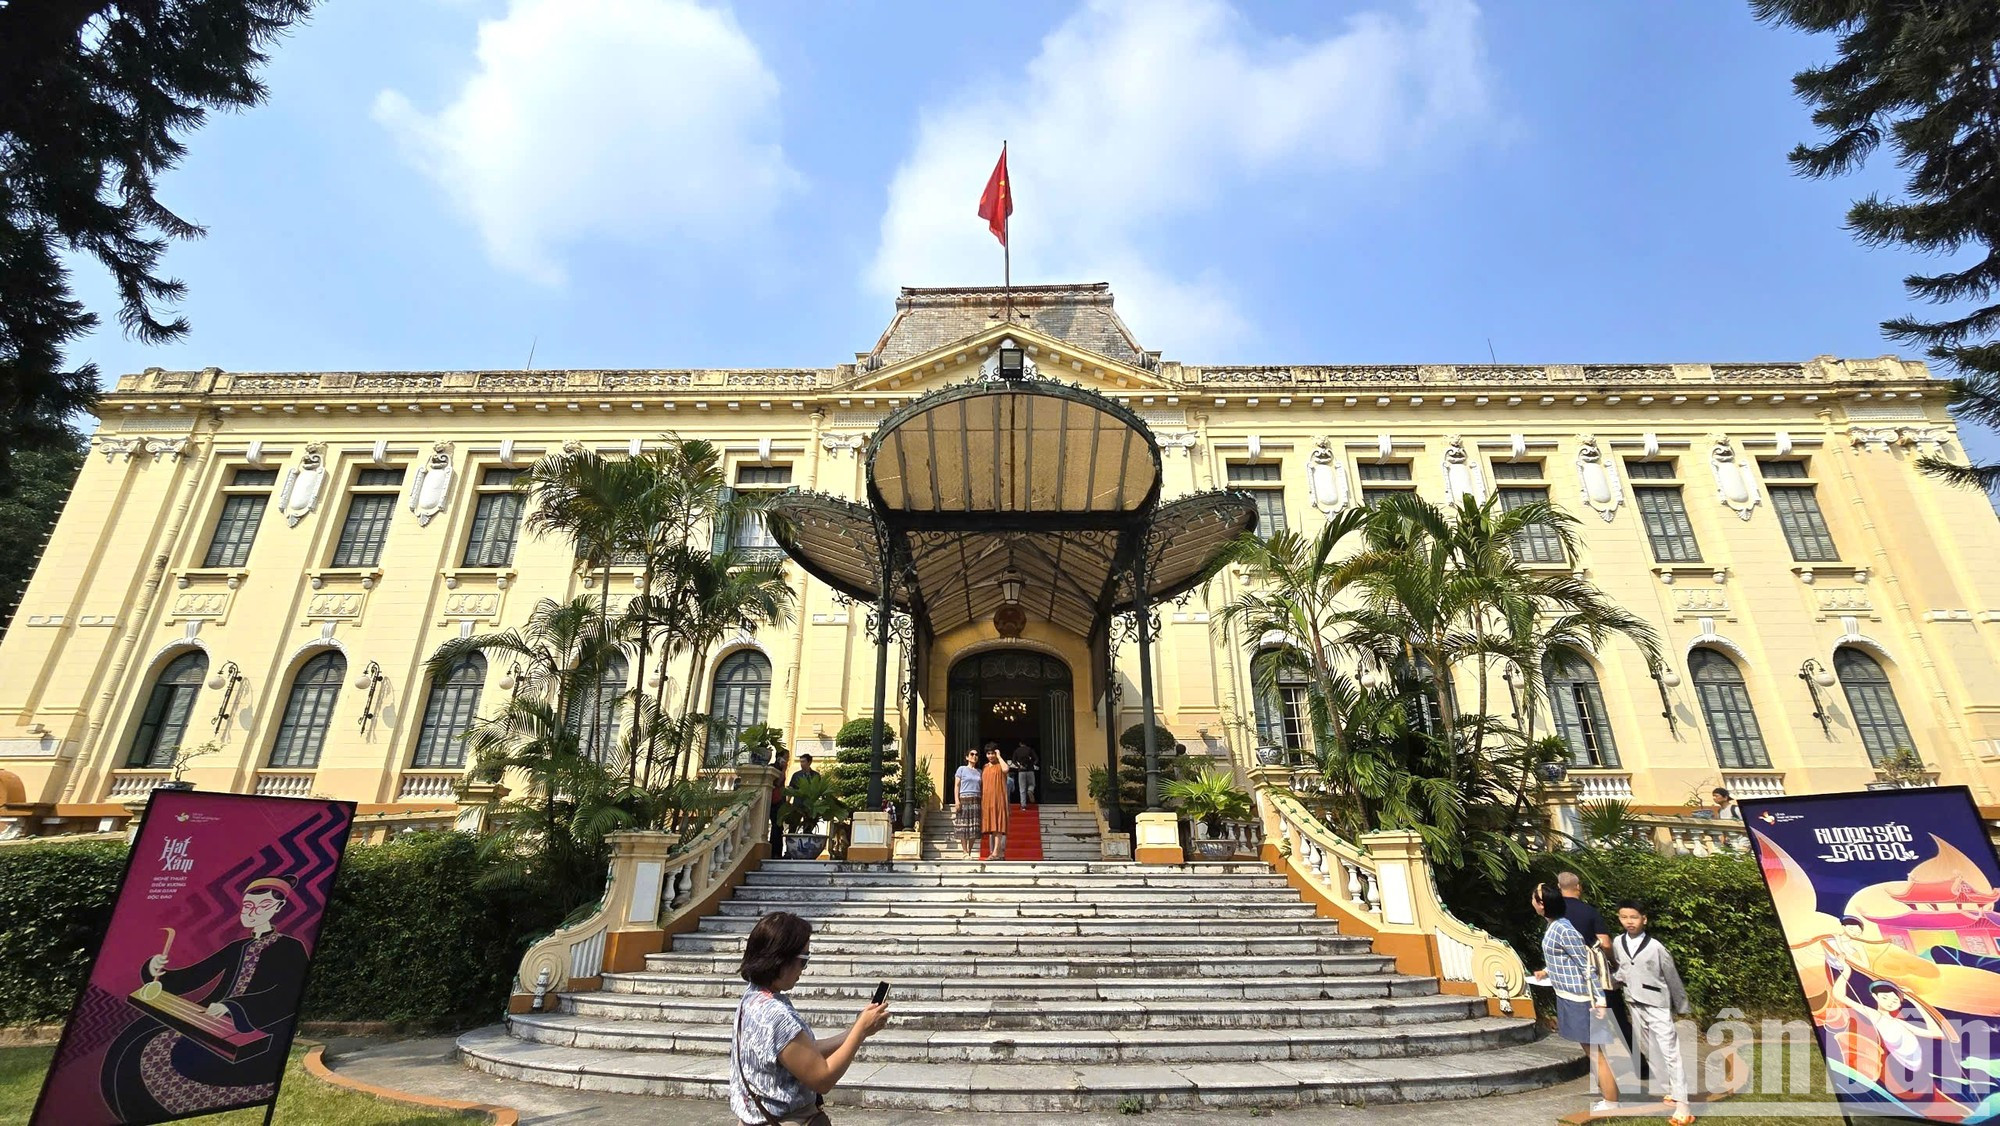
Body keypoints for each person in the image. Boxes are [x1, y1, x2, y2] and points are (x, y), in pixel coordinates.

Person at [101, 876, 309, 1121]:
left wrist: (232, 1007)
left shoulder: (290, 948)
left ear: (278, 907)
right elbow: (193, 977)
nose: (252, 913)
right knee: (137, 1035)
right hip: (210, 1018)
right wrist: (155, 970)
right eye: (248, 906)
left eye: (262, 907)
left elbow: (286, 993)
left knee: (152, 1050)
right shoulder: (237, 947)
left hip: (255, 1025)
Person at [731, 911, 889, 1125]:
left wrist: (854, 1030)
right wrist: (859, 1033)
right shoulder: (775, 1015)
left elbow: (804, 1052)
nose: (803, 970)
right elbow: (822, 1079)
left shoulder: (752, 998)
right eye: (803, 960)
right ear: (780, 960)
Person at [1529, 880, 1620, 1114]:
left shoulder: (1563, 928)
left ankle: (1611, 1101)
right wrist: (1546, 971)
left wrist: (1599, 1000)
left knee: (1595, 1052)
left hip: (1582, 999)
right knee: (1590, 1050)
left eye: (1534, 898)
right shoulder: (1555, 926)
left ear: (1542, 905)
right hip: (1569, 995)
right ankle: (1608, 1097)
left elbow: (1585, 964)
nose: (1532, 902)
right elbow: (1563, 958)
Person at [1611, 901, 1693, 1126]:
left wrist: (1682, 1005)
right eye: (1624, 917)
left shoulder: (1656, 947)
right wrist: (1609, 982)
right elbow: (1622, 971)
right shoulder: (1618, 942)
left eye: (1634, 917)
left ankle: (1684, 1104)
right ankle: (1671, 1090)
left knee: (1670, 1051)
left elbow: (1672, 976)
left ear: (1644, 919)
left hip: (1657, 1003)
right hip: (1634, 1003)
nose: (1629, 921)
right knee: (1647, 1048)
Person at [980, 745, 1014, 859]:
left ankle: (995, 853)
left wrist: (999, 756)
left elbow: (1006, 769)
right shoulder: (985, 767)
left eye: (992, 753)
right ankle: (998, 853)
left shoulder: (1000, 765)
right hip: (987, 800)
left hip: (998, 799)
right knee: (992, 826)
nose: (990, 756)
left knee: (998, 825)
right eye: (988, 754)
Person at [953, 749, 983, 853]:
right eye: (972, 754)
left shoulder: (980, 772)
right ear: (967, 757)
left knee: (974, 827)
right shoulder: (961, 769)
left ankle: (969, 850)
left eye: (976, 754)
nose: (974, 756)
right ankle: (964, 851)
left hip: (976, 799)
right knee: (963, 826)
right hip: (964, 798)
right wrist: (957, 800)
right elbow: (957, 785)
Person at [1009, 742, 1039, 810]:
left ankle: (1023, 805)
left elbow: (1013, 761)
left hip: (1021, 771)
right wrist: (1032, 764)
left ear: (1020, 744)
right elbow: (1036, 758)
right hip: (1030, 770)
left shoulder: (1017, 751)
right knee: (1032, 784)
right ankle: (1030, 790)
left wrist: (1018, 766)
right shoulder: (1030, 750)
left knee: (1022, 788)